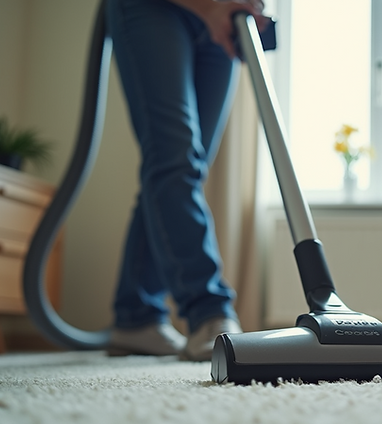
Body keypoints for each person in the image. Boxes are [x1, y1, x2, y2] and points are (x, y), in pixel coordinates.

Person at [104, 0, 266, 360]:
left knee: (184, 167)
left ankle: (136, 316)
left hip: (224, 19)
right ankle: (208, 310)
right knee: (175, 159)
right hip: (155, 8)